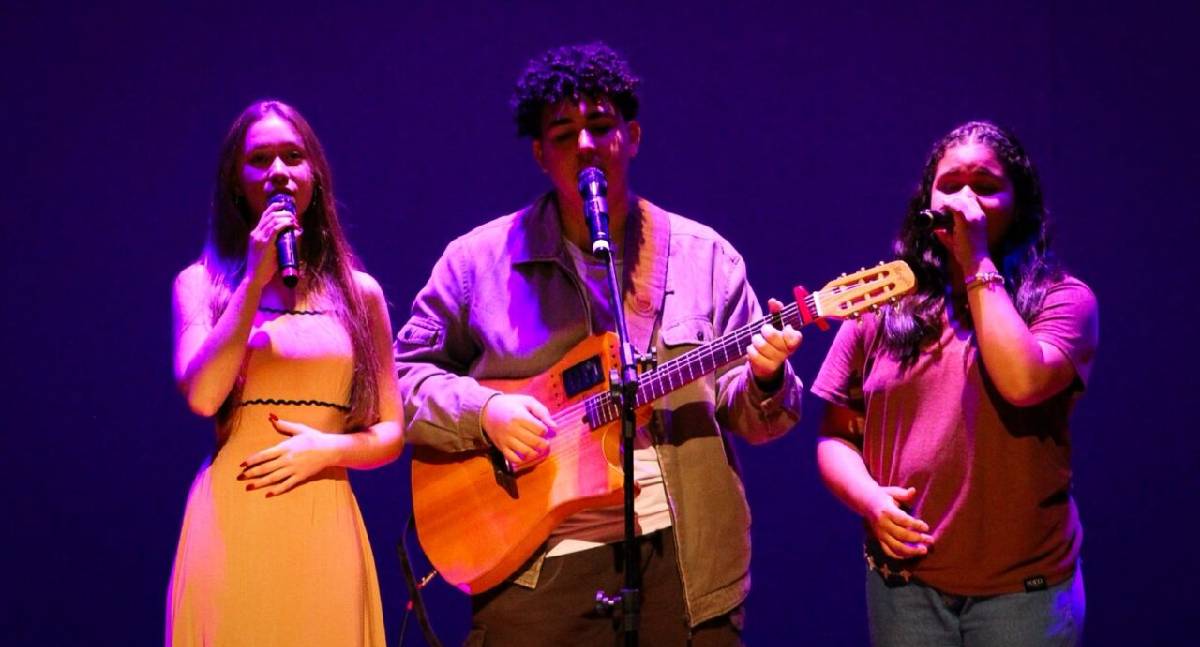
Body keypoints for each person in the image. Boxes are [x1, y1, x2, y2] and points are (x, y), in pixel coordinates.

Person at [394, 42, 803, 645]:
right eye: (563, 133)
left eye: (601, 126)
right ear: (539, 153)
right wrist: (486, 412)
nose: (584, 144)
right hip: (532, 574)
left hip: (681, 568)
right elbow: (400, 381)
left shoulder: (704, 257)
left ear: (631, 137)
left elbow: (755, 416)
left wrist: (766, 378)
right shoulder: (475, 264)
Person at [812, 120, 1098, 646]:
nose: (966, 199)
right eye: (950, 185)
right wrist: (871, 501)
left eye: (986, 186)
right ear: (927, 201)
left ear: (1020, 201)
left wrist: (978, 262)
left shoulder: (1062, 299)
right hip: (907, 589)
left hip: (1022, 594)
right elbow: (834, 436)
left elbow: (1023, 381)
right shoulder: (879, 303)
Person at [166, 100, 403, 646]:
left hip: (323, 517)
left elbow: (391, 431)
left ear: (314, 175)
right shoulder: (200, 285)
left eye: (292, 157)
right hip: (233, 519)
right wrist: (252, 282)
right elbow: (203, 397)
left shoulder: (358, 294)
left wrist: (327, 450)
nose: (277, 171)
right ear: (236, 182)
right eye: (260, 159)